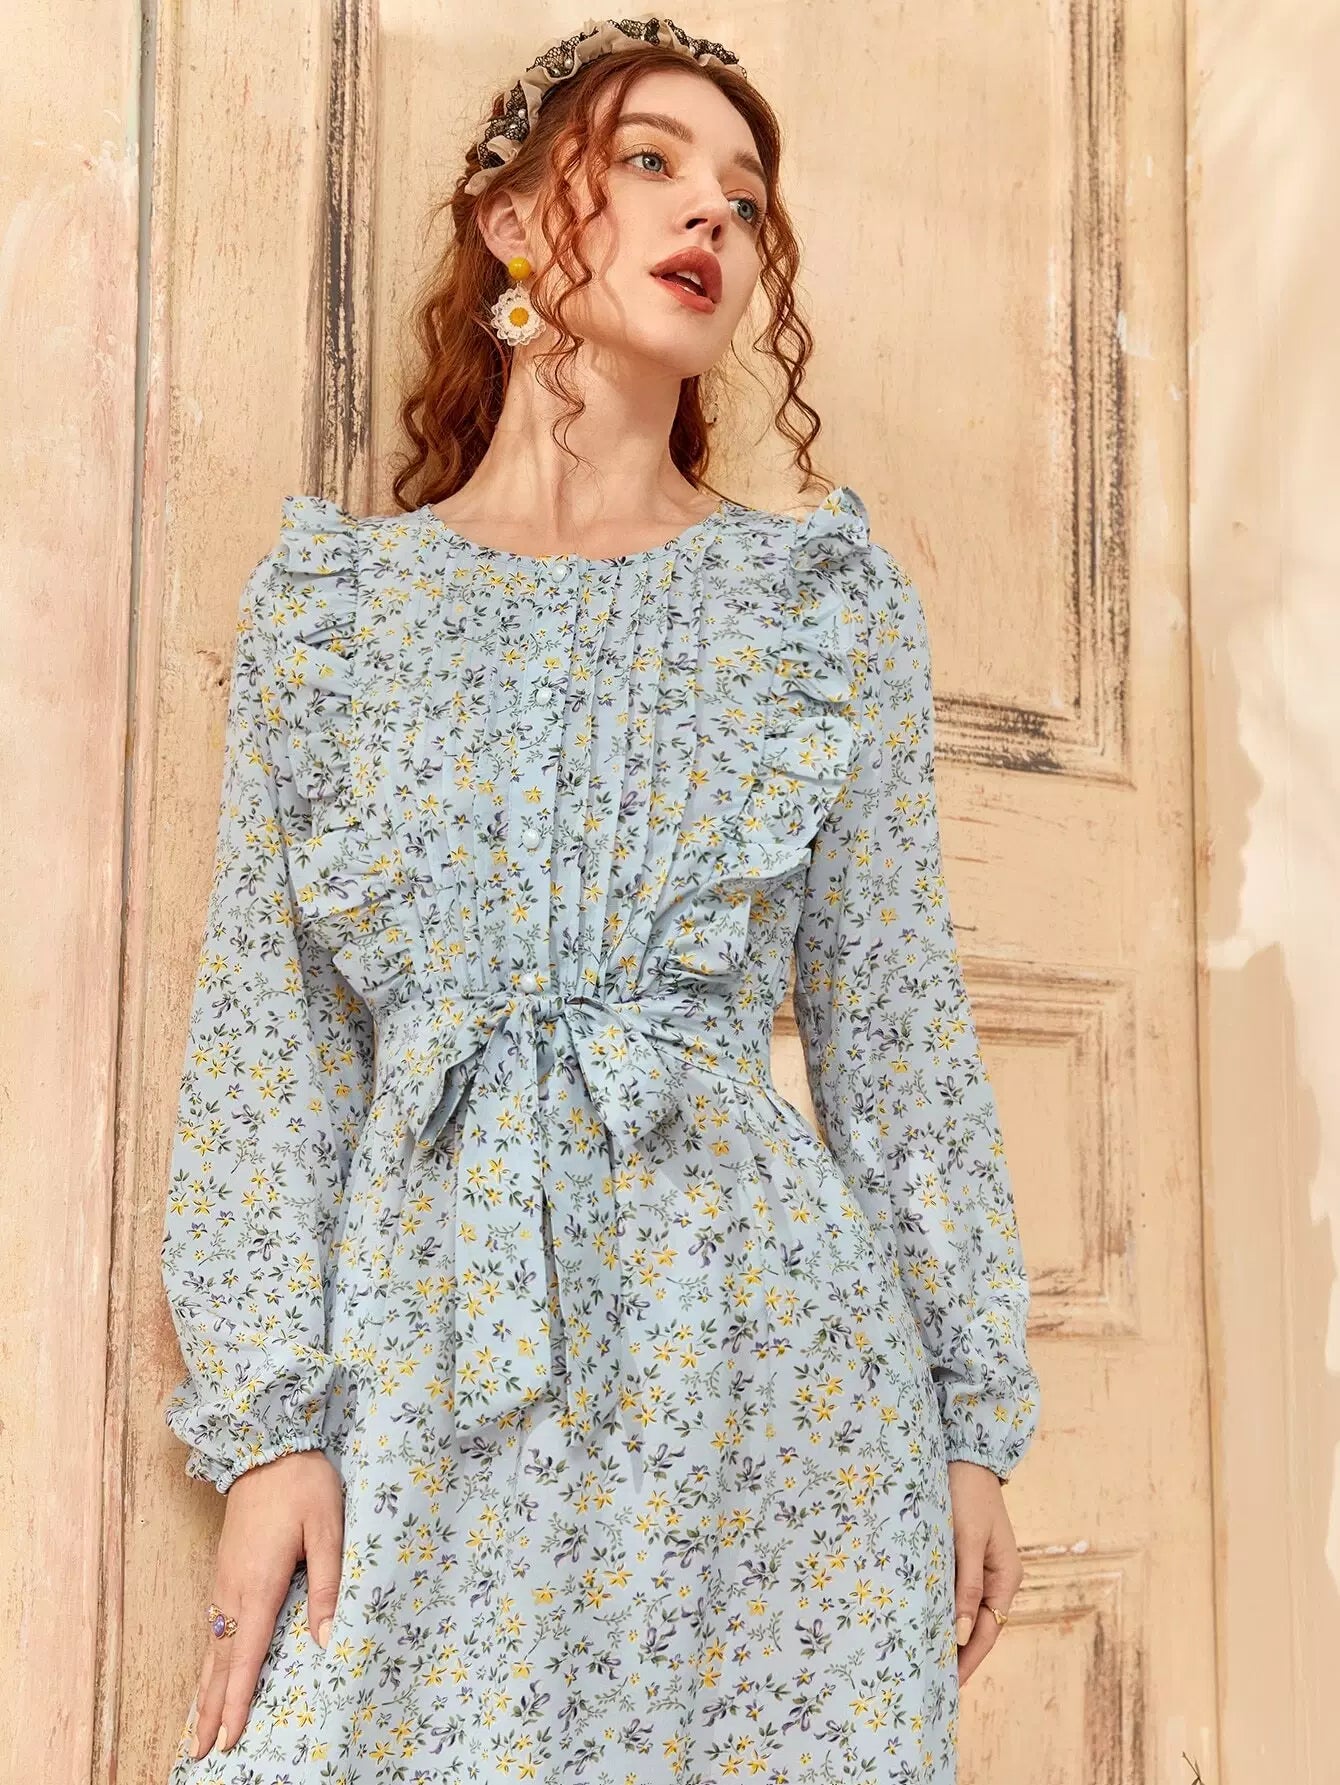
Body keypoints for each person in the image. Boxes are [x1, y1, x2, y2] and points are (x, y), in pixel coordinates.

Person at [160, 16, 1041, 1782]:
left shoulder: (816, 610)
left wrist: (967, 1423)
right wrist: (268, 1432)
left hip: (769, 1379)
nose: (712, 213)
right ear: (511, 222)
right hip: (429, 1360)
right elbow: (270, 1043)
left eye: (745, 195)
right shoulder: (338, 617)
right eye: (650, 161)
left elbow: (896, 1030)